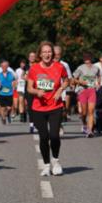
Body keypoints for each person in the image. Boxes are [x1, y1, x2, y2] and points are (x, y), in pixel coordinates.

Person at [27, 42, 67, 176]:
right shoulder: (34, 69)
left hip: (55, 106)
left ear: (53, 54)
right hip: (39, 108)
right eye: (44, 52)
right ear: (40, 54)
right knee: (44, 137)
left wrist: (60, 90)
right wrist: (37, 92)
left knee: (54, 135)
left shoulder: (59, 67)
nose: (47, 54)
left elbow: (67, 80)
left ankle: (55, 161)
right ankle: (46, 165)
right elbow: (29, 88)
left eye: (49, 52)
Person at [72, 51, 101, 137]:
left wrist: (98, 84)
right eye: (85, 58)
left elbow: (99, 76)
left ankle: (89, 131)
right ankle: (84, 123)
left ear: (91, 58)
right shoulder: (80, 68)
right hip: (82, 91)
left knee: (91, 111)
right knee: (84, 112)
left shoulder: (96, 68)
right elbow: (73, 79)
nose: (86, 59)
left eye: (88, 58)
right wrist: (80, 81)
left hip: (92, 90)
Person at [0, 60, 16, 125]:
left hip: (9, 93)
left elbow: (15, 80)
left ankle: (7, 114)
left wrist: (14, 85)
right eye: (3, 66)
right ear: (1, 67)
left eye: (5, 66)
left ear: (7, 66)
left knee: (9, 107)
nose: (4, 67)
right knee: (2, 107)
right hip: (1, 93)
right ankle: (3, 118)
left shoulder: (11, 74)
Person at [27, 51, 39, 132]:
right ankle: (31, 124)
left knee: (37, 106)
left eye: (33, 56)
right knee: (30, 106)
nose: (32, 58)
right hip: (28, 88)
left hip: (37, 88)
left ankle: (37, 123)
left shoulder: (38, 66)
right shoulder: (25, 67)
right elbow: (22, 76)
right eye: (30, 56)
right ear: (28, 58)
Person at [14, 59, 28, 123]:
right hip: (20, 87)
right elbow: (16, 79)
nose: (22, 65)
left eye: (24, 63)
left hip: (27, 86)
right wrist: (15, 85)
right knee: (21, 101)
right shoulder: (17, 70)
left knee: (25, 103)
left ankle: (25, 113)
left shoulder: (28, 69)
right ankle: (21, 116)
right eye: (21, 63)